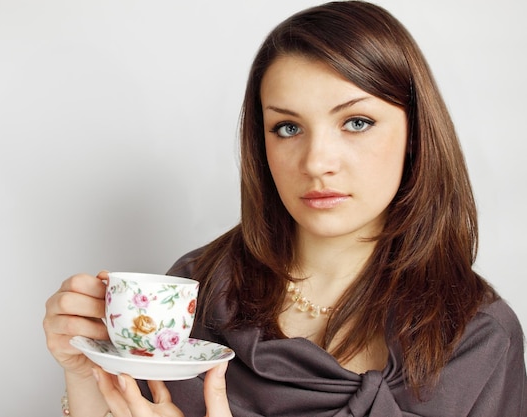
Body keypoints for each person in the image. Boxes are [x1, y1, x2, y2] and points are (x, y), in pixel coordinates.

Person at [43, 1, 527, 416]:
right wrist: (85, 376)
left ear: (415, 136)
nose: (317, 162)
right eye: (288, 128)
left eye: (356, 122)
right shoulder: (198, 291)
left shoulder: (478, 337)